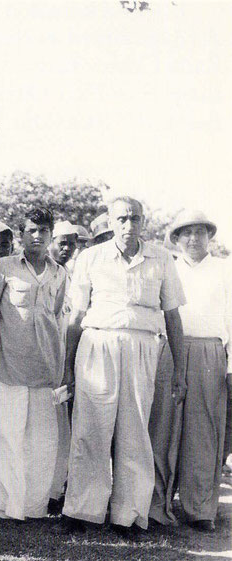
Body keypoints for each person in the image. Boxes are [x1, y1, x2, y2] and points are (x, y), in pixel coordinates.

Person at [62, 197, 186, 540]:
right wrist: (68, 367)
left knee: (134, 432)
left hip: (143, 346)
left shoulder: (161, 258)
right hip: (98, 342)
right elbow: (75, 317)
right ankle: (83, 511)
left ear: (143, 221)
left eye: (135, 218)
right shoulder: (90, 258)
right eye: (122, 218)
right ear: (111, 221)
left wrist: (179, 370)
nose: (128, 225)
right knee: (91, 428)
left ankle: (128, 515)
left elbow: (173, 315)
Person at [0, 209, 67, 524]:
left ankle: (33, 509)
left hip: (44, 371)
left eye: (43, 230)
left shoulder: (60, 273)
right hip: (5, 366)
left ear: (51, 235)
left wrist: (60, 369)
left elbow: (56, 320)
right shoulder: (2, 268)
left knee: (41, 444)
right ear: (21, 235)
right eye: (31, 230)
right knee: (0, 436)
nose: (38, 236)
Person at [148, 211, 231, 531]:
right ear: (177, 239)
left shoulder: (225, 269)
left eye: (200, 232)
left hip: (210, 353)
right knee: (162, 428)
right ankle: (157, 505)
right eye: (187, 233)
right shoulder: (165, 267)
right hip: (169, 350)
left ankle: (200, 508)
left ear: (210, 236)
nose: (193, 238)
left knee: (204, 433)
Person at [47, 220, 79, 512]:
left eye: (71, 243)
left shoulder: (75, 276)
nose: (66, 248)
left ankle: (56, 490)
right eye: (61, 242)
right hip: (44, 359)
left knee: (62, 429)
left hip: (66, 360)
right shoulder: (44, 273)